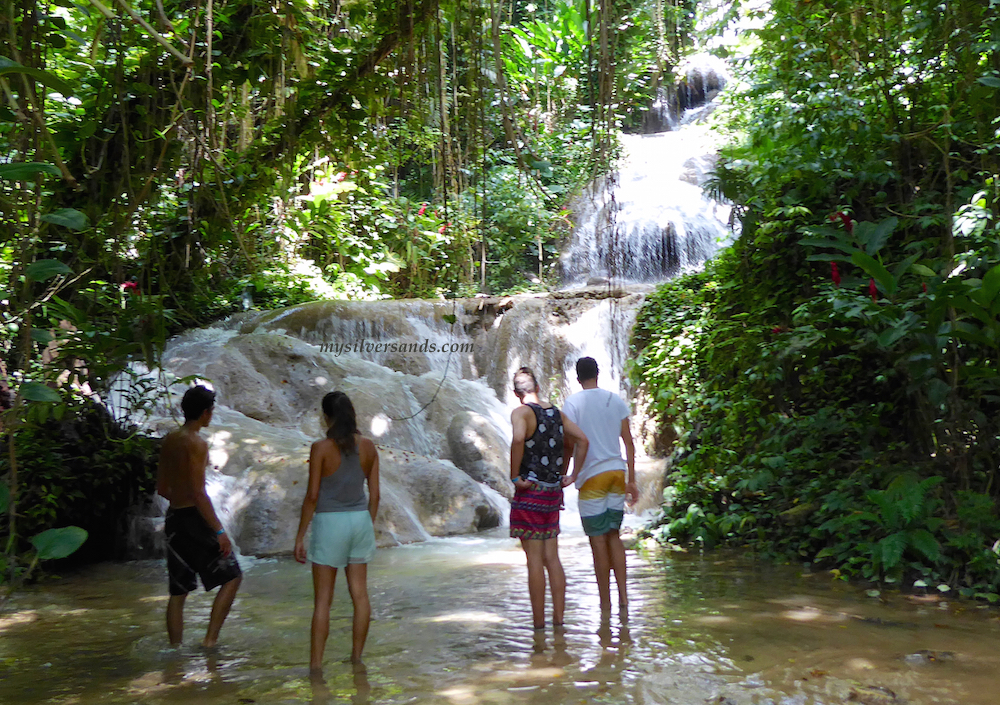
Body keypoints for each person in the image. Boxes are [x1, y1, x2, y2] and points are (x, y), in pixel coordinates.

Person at [294, 391, 381, 675]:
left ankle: (316, 668)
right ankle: (356, 660)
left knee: (323, 601)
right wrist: (367, 523)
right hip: (359, 520)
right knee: (360, 595)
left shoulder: (320, 448)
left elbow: (312, 496)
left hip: (329, 522)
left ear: (326, 417)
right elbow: (375, 495)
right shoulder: (368, 447)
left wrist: (299, 537)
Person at [156, 385, 242, 648]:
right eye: (211, 410)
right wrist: (218, 530)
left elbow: (161, 488)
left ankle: (175, 651)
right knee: (233, 576)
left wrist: (179, 504)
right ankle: (210, 640)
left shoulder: (171, 439)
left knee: (178, 592)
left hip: (173, 519)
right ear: (206, 412)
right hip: (194, 520)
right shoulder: (197, 443)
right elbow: (198, 492)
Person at [509, 367, 589, 630]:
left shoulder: (521, 413)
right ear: (537, 388)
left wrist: (514, 476)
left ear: (515, 393)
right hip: (552, 492)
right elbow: (580, 440)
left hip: (529, 492)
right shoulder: (556, 413)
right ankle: (559, 620)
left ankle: (538, 625)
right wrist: (570, 475)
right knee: (552, 557)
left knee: (533, 560)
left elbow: (519, 438)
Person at [560, 357, 638, 613]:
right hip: (616, 473)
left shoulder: (572, 403)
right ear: (598, 373)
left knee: (597, 542)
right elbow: (628, 443)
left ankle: (605, 603)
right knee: (613, 536)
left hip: (593, 477)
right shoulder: (614, 400)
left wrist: (568, 474)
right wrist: (632, 480)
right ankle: (624, 599)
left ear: (577, 377)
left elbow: (569, 445)